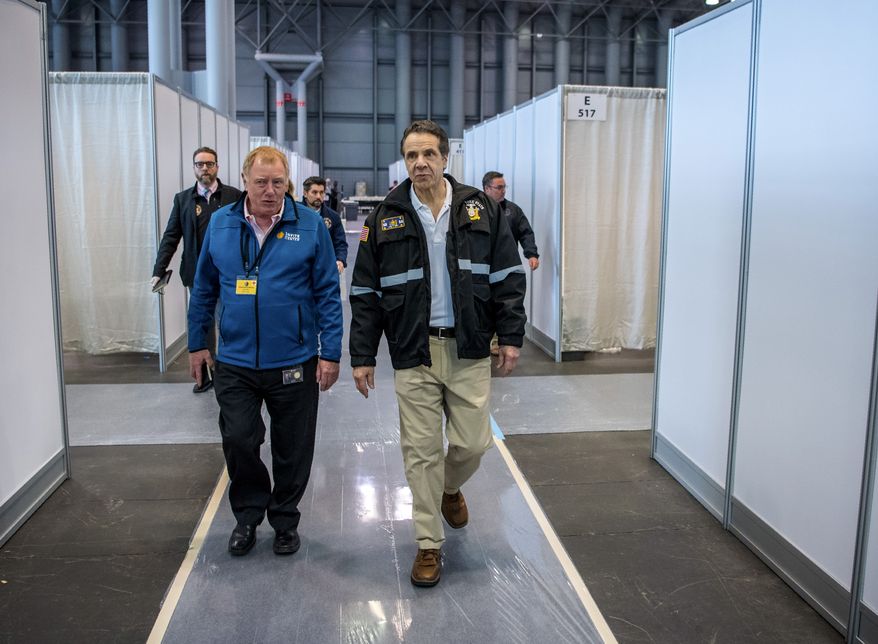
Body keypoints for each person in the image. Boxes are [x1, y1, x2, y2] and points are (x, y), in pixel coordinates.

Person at [349, 120, 526, 587]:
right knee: (421, 452)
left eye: (428, 154)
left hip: (469, 346)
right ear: (404, 162)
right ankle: (428, 544)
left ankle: (450, 487)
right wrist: (362, 355)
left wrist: (510, 336)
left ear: (446, 158)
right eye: (411, 156)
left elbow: (508, 276)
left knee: (472, 443)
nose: (420, 163)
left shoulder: (480, 208)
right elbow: (365, 292)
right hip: (414, 350)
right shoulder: (385, 215)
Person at [187, 146, 343, 557]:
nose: (270, 191)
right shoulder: (220, 224)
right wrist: (197, 344)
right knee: (239, 439)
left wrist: (331, 353)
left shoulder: (309, 225)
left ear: (287, 183)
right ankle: (248, 515)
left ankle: (285, 518)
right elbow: (203, 288)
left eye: (278, 182)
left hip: (294, 359)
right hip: (235, 360)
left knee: (293, 447)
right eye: (261, 182)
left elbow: (328, 292)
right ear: (245, 181)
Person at [151, 147, 242, 392]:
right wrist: (159, 270)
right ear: (193, 168)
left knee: (226, 322)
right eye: (200, 164)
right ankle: (205, 376)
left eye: (209, 164)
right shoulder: (183, 200)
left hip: (228, 275)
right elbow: (171, 236)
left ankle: (230, 373)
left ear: (217, 167)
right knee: (201, 324)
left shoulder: (234, 196)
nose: (205, 169)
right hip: (197, 274)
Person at [481, 171, 540, 271]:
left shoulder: (513, 210)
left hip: (507, 264)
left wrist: (532, 255)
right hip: (483, 263)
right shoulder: (478, 209)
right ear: (487, 189)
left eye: (504, 187)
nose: (503, 191)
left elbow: (526, 233)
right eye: (499, 187)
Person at [302, 176, 348, 274]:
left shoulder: (333, 217)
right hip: (300, 268)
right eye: (314, 192)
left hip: (324, 269)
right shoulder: (295, 214)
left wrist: (340, 260)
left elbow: (340, 243)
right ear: (305, 193)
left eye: (321, 192)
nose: (318, 196)